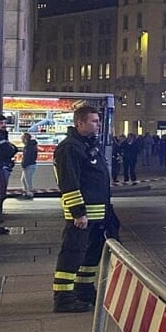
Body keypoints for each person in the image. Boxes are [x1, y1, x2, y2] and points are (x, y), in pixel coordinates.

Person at [52, 106, 112, 312]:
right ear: (80, 123)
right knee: (72, 253)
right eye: (94, 121)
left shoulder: (87, 145)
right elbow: (69, 183)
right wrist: (78, 212)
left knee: (90, 255)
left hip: (96, 214)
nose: (98, 124)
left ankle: (84, 289)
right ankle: (63, 297)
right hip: (82, 216)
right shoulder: (70, 148)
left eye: (98, 121)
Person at [0, 114, 17, 233]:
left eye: (4, 123)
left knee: (0, 195)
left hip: (1, 168)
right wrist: (12, 149)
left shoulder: (1, 135)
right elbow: (9, 149)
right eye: (0, 123)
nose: (3, 125)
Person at [19, 132, 39, 199]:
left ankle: (29, 194)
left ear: (25, 139)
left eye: (22, 138)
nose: (21, 140)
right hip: (30, 164)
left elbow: (27, 157)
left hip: (29, 165)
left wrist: (24, 164)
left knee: (28, 180)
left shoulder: (28, 147)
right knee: (24, 179)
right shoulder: (31, 145)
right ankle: (26, 192)